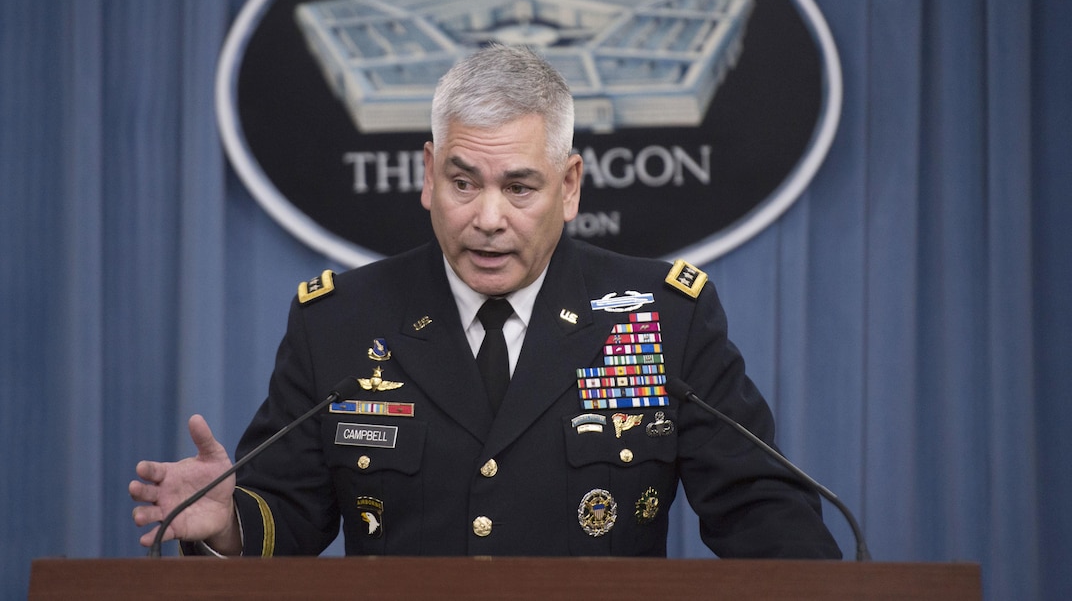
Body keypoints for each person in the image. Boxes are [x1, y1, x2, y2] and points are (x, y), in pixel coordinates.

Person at [130, 44, 841, 559]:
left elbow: (764, 514)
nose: (489, 217)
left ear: (569, 187)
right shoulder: (342, 321)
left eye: (520, 187)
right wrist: (225, 521)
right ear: (429, 175)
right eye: (464, 182)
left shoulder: (662, 317)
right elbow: (284, 514)